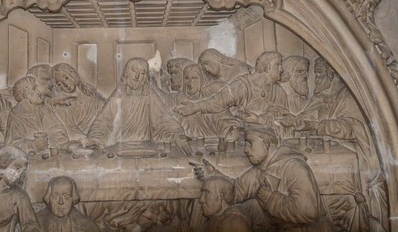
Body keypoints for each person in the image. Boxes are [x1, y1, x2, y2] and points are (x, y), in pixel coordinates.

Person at [191, 124, 331, 232]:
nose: (245, 150)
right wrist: (214, 175)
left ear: (266, 144)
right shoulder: (259, 171)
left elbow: (308, 212)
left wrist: (271, 199)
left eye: (250, 143)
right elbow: (235, 191)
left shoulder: (295, 168)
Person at [89, 57, 185, 151]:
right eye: (134, 70)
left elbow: (163, 120)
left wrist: (177, 135)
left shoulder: (149, 95)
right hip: (121, 149)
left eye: (143, 73)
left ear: (146, 77)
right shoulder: (118, 96)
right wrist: (96, 139)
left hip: (146, 148)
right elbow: (103, 122)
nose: (137, 76)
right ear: (126, 73)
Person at [46, 63, 105, 142]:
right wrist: (88, 141)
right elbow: (70, 129)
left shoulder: (93, 97)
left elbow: (108, 115)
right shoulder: (64, 106)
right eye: (60, 84)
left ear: (73, 76)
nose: (65, 84)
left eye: (66, 78)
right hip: (84, 145)